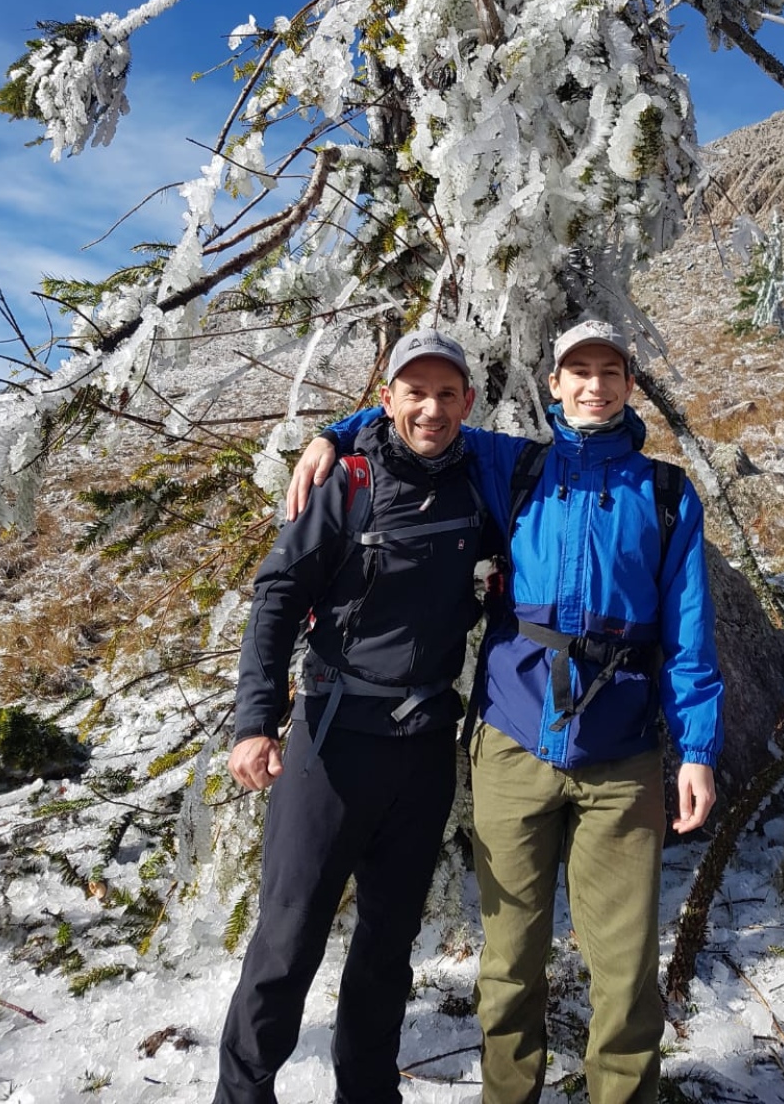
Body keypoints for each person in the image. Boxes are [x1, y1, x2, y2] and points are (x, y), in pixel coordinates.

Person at [289, 319, 723, 1104]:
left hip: (621, 756)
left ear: (629, 386)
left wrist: (696, 749)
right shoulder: (513, 464)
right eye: (577, 371)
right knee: (508, 962)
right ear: (551, 385)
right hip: (513, 743)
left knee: (625, 970)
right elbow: (422, 419)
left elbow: (690, 636)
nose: (594, 385)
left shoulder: (665, 494)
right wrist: (334, 432)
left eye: (610, 371)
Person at [214, 329, 499, 1104]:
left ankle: (368, 1095)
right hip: (331, 744)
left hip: (423, 750)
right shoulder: (346, 482)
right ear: (388, 398)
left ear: (467, 403)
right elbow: (276, 598)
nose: (431, 408)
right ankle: (241, 1096)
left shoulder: (481, 481)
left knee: (387, 945)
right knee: (287, 938)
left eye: (446, 393)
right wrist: (253, 721)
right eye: (415, 391)